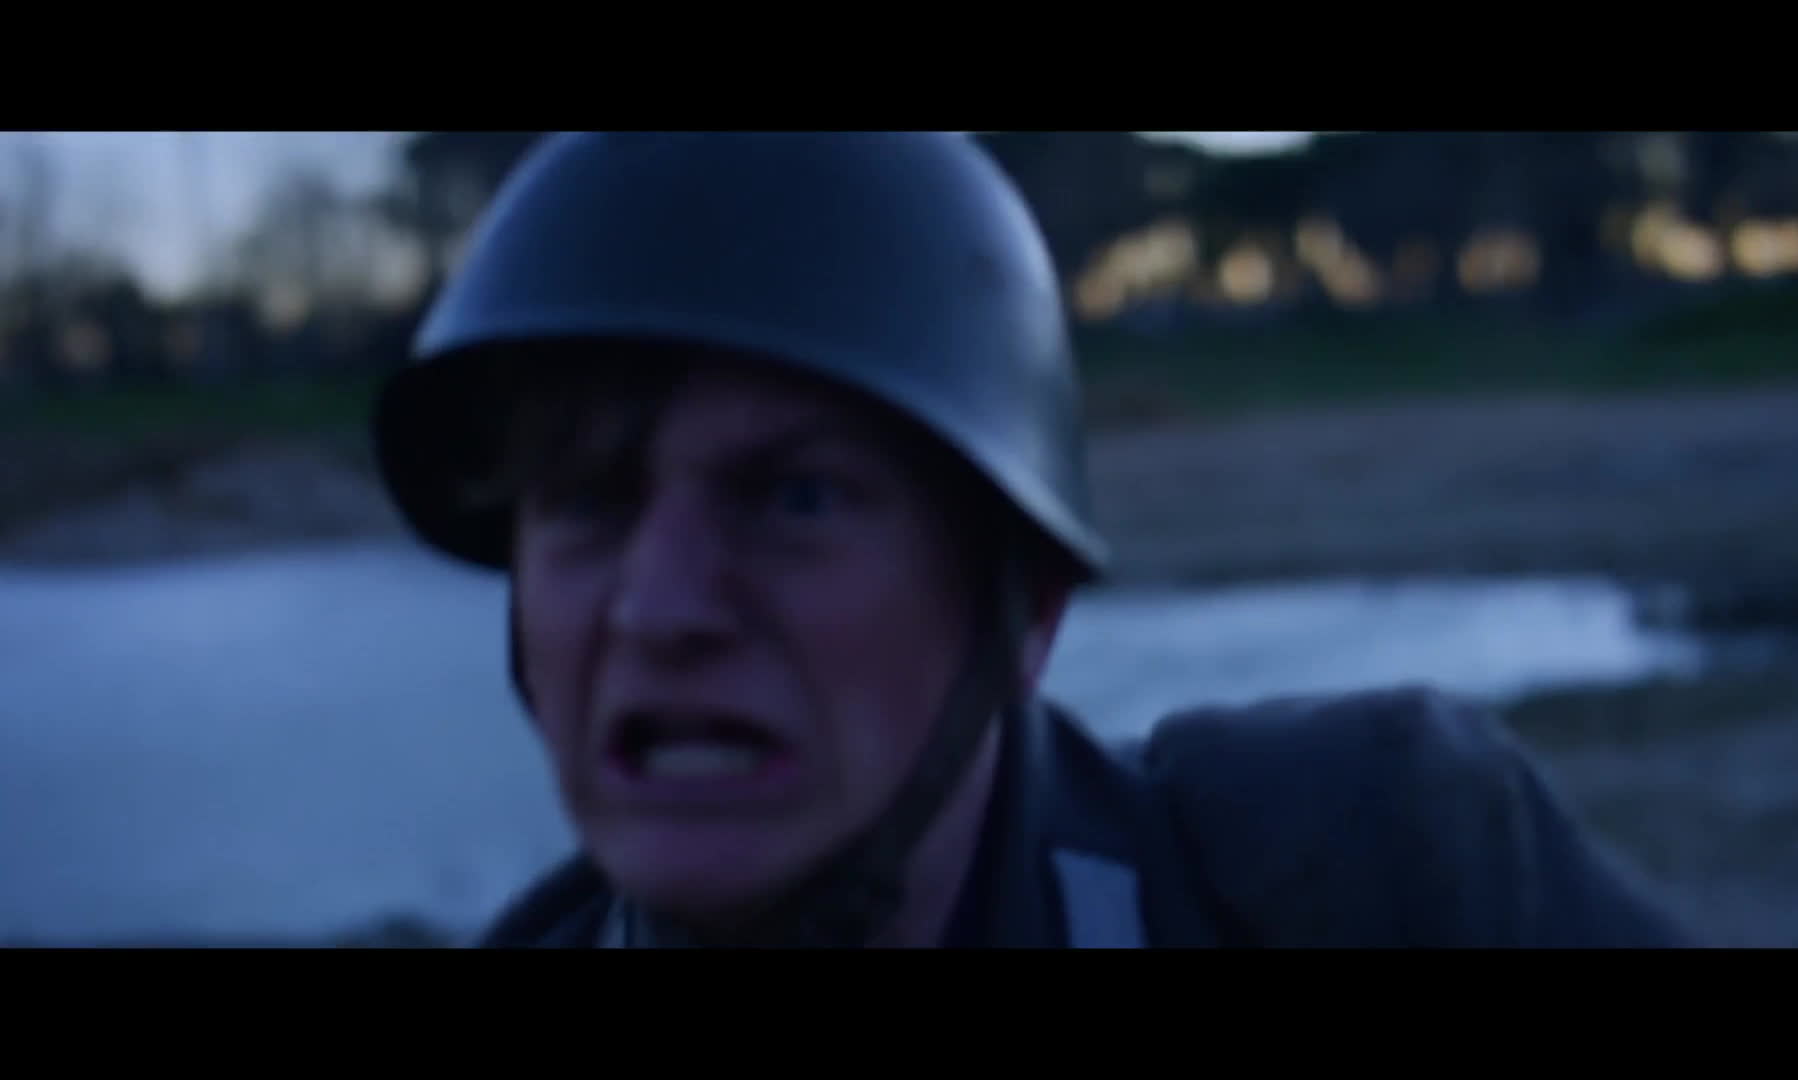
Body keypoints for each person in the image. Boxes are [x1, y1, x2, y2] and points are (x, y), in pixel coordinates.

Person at [370, 131, 1696, 948]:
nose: (661, 608)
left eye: (796, 499)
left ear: (1027, 607)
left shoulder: (1377, 876)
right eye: (589, 503)